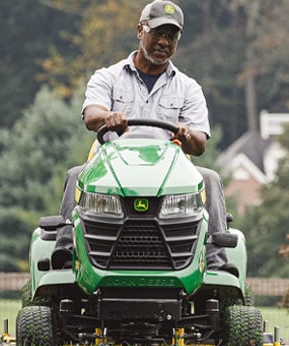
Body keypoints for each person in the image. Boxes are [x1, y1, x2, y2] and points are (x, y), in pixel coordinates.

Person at [52, 0, 229, 271]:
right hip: (112, 169)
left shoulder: (188, 88)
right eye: (157, 33)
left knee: (210, 179)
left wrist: (186, 133)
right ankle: (66, 251)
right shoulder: (108, 77)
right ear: (140, 31)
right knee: (77, 174)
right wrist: (107, 118)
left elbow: (199, 144)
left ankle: (216, 261)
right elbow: (91, 115)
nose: (163, 42)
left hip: (169, 173)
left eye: (171, 36)